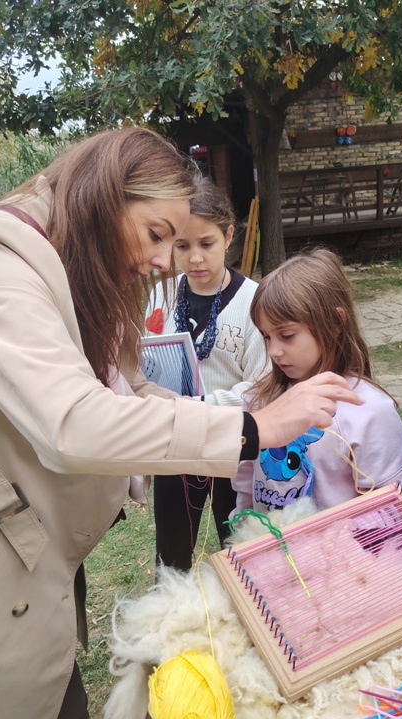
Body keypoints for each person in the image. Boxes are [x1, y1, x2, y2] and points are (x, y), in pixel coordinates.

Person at [0, 127, 362, 719]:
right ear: (105, 198)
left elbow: (128, 393)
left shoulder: (74, 269)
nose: (164, 261)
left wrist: (236, 425)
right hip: (1, 577)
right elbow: (75, 422)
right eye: (157, 235)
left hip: (36, 570)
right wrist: (253, 428)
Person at [231, 248, 402, 518]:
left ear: (334, 322)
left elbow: (394, 505)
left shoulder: (370, 411)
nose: (273, 351)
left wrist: (338, 540)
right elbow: (245, 484)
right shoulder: (258, 399)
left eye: (286, 335)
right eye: (266, 336)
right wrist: (244, 529)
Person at [144, 177, 269, 570]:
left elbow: (261, 385)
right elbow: (146, 362)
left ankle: (244, 600)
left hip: (233, 442)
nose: (195, 258)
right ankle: (172, 602)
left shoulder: (254, 302)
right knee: (172, 549)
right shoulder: (161, 295)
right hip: (176, 441)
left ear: (229, 236)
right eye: (182, 246)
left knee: (240, 543)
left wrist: (200, 406)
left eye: (206, 244)